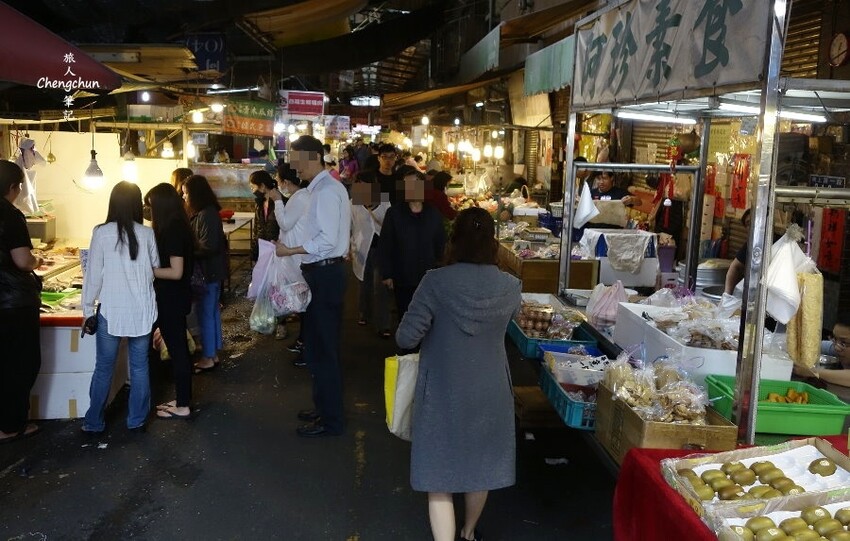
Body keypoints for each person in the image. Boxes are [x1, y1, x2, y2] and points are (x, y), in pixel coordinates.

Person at [396, 206, 521, 541]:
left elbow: (406, 337)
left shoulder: (435, 282)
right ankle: (468, 532)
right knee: (481, 468)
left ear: (453, 241)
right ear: (493, 243)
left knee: (438, 474)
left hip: (441, 391)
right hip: (491, 392)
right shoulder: (511, 287)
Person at [273, 135, 351, 437]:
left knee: (324, 350)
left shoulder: (327, 191)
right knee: (318, 348)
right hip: (324, 272)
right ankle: (323, 409)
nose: (295, 167)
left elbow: (327, 240)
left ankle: (331, 421)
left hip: (326, 274)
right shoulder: (323, 189)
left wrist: (290, 251)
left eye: (298, 161)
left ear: (315, 157)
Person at [82, 181, 159, 434]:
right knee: (139, 367)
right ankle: (136, 420)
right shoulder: (147, 233)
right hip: (142, 311)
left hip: (111, 311)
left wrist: (87, 310)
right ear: (137, 204)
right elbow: (155, 268)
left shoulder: (101, 232)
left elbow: (93, 275)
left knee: (104, 368)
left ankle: (94, 422)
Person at [0, 161, 43, 443]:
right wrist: (37, 260)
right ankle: (11, 426)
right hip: (12, 302)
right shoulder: (10, 214)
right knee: (20, 363)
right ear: (14, 187)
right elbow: (23, 260)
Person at [145, 183, 195, 420]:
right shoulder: (176, 224)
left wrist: (147, 270)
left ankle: (183, 405)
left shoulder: (173, 229)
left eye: (151, 207)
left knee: (178, 350)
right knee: (178, 349)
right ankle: (182, 400)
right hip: (174, 296)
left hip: (171, 298)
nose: (149, 212)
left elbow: (176, 271)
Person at [380, 167, 446, 325]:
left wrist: (441, 269)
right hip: (403, 276)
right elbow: (386, 244)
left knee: (428, 318)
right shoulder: (394, 213)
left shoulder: (433, 214)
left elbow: (440, 244)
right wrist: (387, 274)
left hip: (428, 277)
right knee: (406, 317)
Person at [182, 175, 227, 373]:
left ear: (195, 193)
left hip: (208, 272)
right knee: (212, 313)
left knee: (206, 314)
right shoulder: (208, 212)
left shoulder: (206, 214)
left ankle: (208, 356)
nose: (184, 197)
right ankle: (213, 353)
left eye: (185, 193)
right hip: (213, 272)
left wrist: (187, 252)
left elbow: (208, 246)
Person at [268, 163, 311, 362]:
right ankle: (303, 340)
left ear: (285, 181)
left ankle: (307, 347)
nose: (278, 185)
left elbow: (285, 223)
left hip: (298, 258)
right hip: (293, 254)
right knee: (302, 304)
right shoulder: (298, 197)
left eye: (278, 180)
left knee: (305, 304)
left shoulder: (300, 197)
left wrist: (277, 201)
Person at [350, 170, 392, 337]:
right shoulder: (353, 203)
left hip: (382, 248)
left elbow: (388, 224)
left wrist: (371, 208)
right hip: (361, 248)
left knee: (380, 286)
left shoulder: (384, 201)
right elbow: (349, 225)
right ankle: (364, 313)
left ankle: (383, 324)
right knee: (364, 282)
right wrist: (347, 247)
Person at [248, 170, 281, 263]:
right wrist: (254, 252)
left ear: (262, 186)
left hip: (277, 249)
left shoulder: (279, 202)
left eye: (253, 187)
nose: (252, 191)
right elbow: (257, 229)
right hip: (263, 249)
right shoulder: (259, 203)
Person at [725, 209, 752, 295]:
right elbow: (735, 267)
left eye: (754, 220)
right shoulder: (749, 245)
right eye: (748, 224)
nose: (752, 225)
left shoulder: (777, 241)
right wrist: (727, 295)